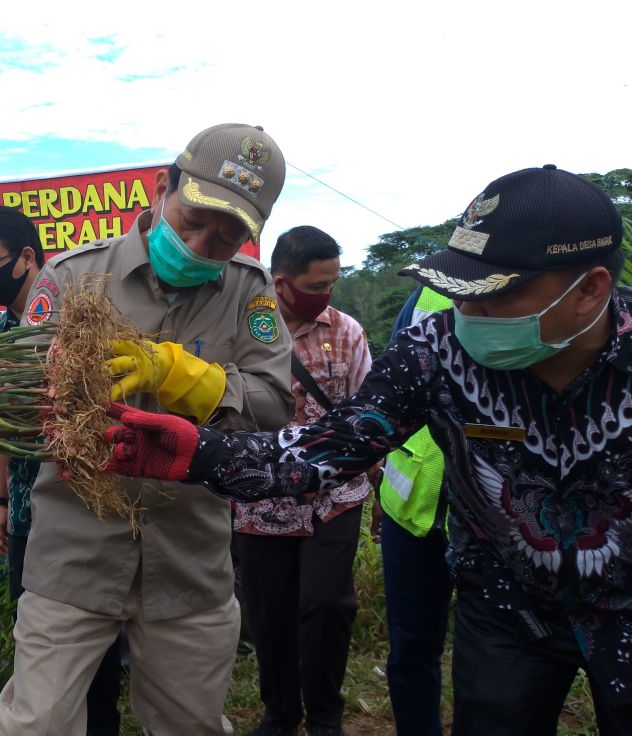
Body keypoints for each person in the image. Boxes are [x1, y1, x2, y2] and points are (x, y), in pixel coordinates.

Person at [103, 165, 632, 735]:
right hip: (507, 604)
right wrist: (198, 453)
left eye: (492, 295)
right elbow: (326, 447)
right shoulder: (435, 350)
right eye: (457, 293)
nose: (466, 316)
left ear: (591, 291)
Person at [0, 123, 295, 735]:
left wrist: (195, 380)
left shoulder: (248, 294)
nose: (204, 243)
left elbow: (276, 406)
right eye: (194, 218)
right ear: (162, 188)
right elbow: (17, 396)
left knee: (190, 727)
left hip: (189, 563)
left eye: (228, 235)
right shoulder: (73, 278)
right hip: (74, 556)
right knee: (32, 726)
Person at [0, 205, 124, 736]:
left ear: (27, 257)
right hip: (31, 518)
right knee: (37, 642)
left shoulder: (72, 323)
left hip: (84, 513)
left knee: (94, 654)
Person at [232, 226, 373, 736]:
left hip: (336, 497)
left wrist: (374, 481)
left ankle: (326, 716)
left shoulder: (348, 332)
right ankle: (280, 713)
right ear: (283, 283)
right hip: (260, 501)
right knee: (269, 614)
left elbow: (370, 416)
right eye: (316, 286)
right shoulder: (245, 331)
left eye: (333, 283)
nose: (326, 296)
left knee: (327, 603)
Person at [377, 286, 453, 736]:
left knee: (501, 657)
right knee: (411, 649)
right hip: (411, 508)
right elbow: (392, 391)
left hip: (495, 518)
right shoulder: (427, 295)